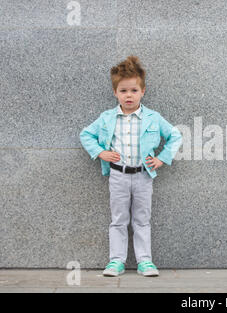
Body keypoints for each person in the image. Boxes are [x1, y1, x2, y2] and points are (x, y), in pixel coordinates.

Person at [79, 55, 182, 277]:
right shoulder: (107, 118)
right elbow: (86, 134)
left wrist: (161, 158)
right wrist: (100, 152)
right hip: (118, 176)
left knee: (142, 219)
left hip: (144, 176)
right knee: (118, 220)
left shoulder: (153, 118)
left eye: (134, 91)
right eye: (124, 91)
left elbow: (175, 136)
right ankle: (116, 261)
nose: (129, 95)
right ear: (115, 92)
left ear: (143, 92)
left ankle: (145, 261)